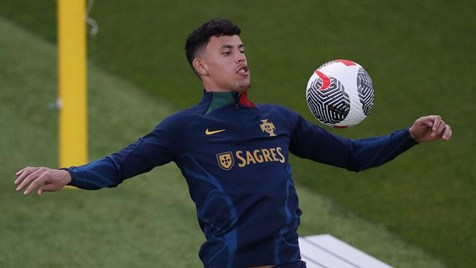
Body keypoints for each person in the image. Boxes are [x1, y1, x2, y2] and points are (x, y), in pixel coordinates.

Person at [14, 18, 452, 268]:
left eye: (242, 48)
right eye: (228, 51)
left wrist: (410, 136)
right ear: (202, 66)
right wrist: (68, 174)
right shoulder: (183, 129)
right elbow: (120, 165)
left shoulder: (277, 119)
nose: (241, 57)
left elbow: (354, 157)